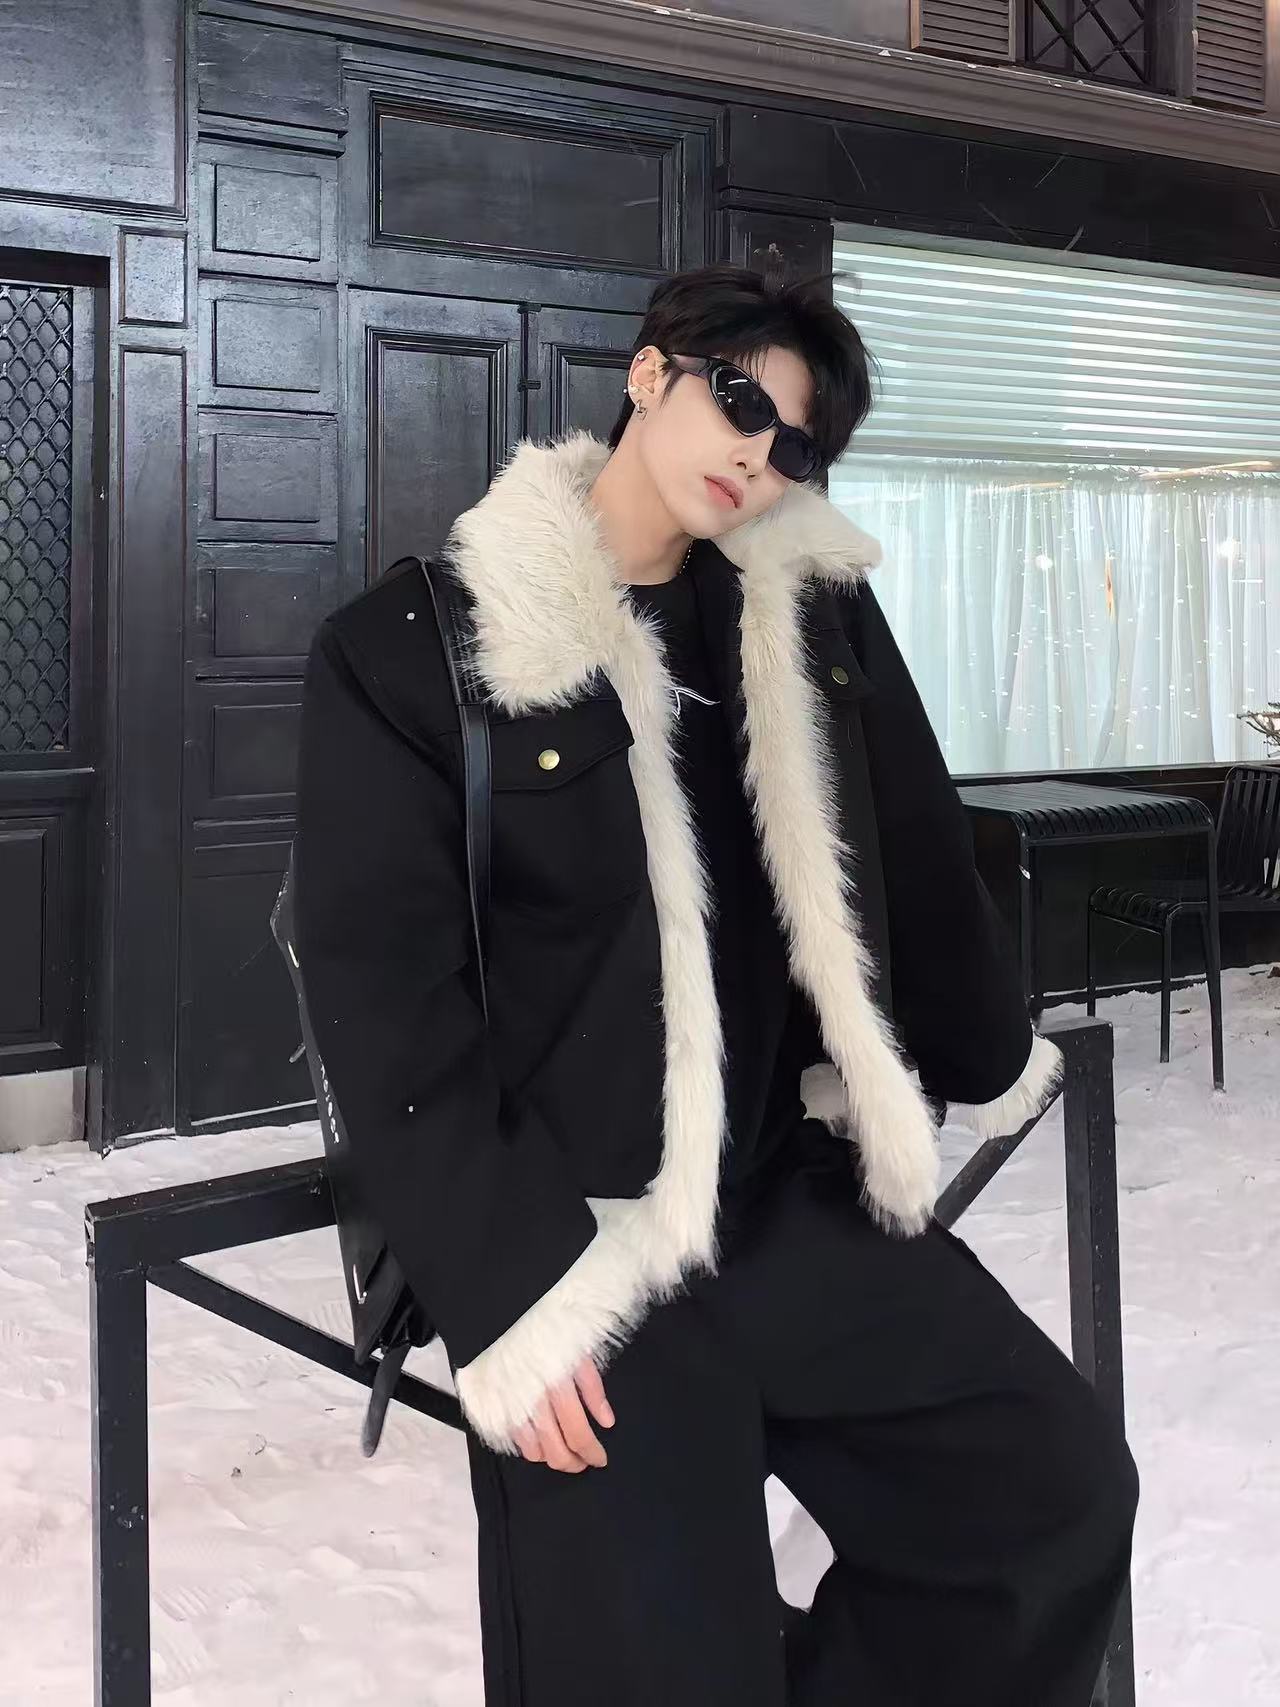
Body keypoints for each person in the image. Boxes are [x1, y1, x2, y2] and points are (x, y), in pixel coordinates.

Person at [293, 264, 1139, 1706]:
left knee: (1046, 1491)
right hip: (587, 1247)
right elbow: (382, 998)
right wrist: (512, 1298)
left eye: (796, 443)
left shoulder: (804, 617)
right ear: (651, 373)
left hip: (781, 1205)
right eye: (742, 401)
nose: (760, 455)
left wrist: (984, 1056)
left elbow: (915, 843)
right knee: (656, 1663)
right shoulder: (421, 649)